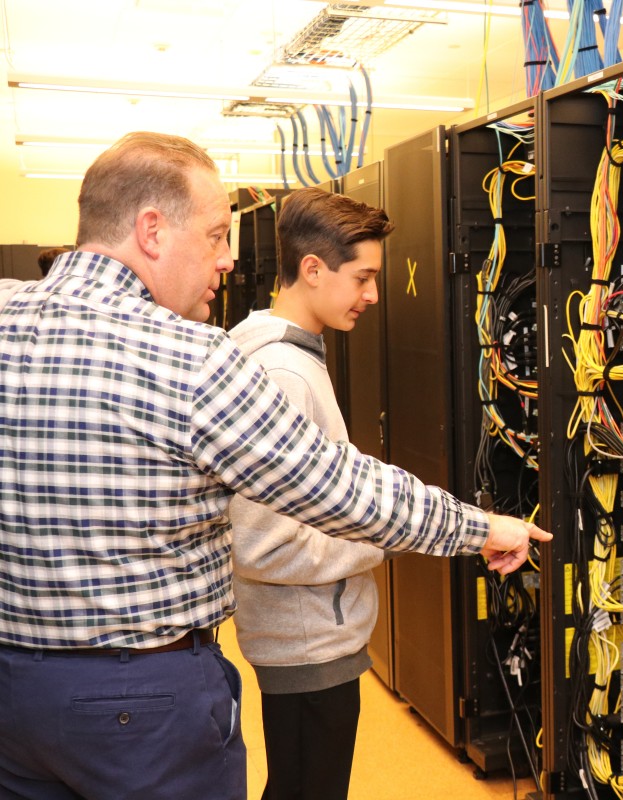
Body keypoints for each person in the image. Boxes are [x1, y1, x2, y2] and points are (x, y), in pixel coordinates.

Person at [0, 132, 550, 799]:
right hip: (141, 705)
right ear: (150, 230)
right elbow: (340, 488)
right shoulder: (187, 357)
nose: (230, 260)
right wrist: (481, 528)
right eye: (214, 236)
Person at [226, 188, 393, 799]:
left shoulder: (283, 353)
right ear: (313, 268)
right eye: (363, 277)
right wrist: (376, 540)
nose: (373, 294)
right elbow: (264, 546)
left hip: (304, 636)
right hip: (305, 643)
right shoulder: (284, 373)